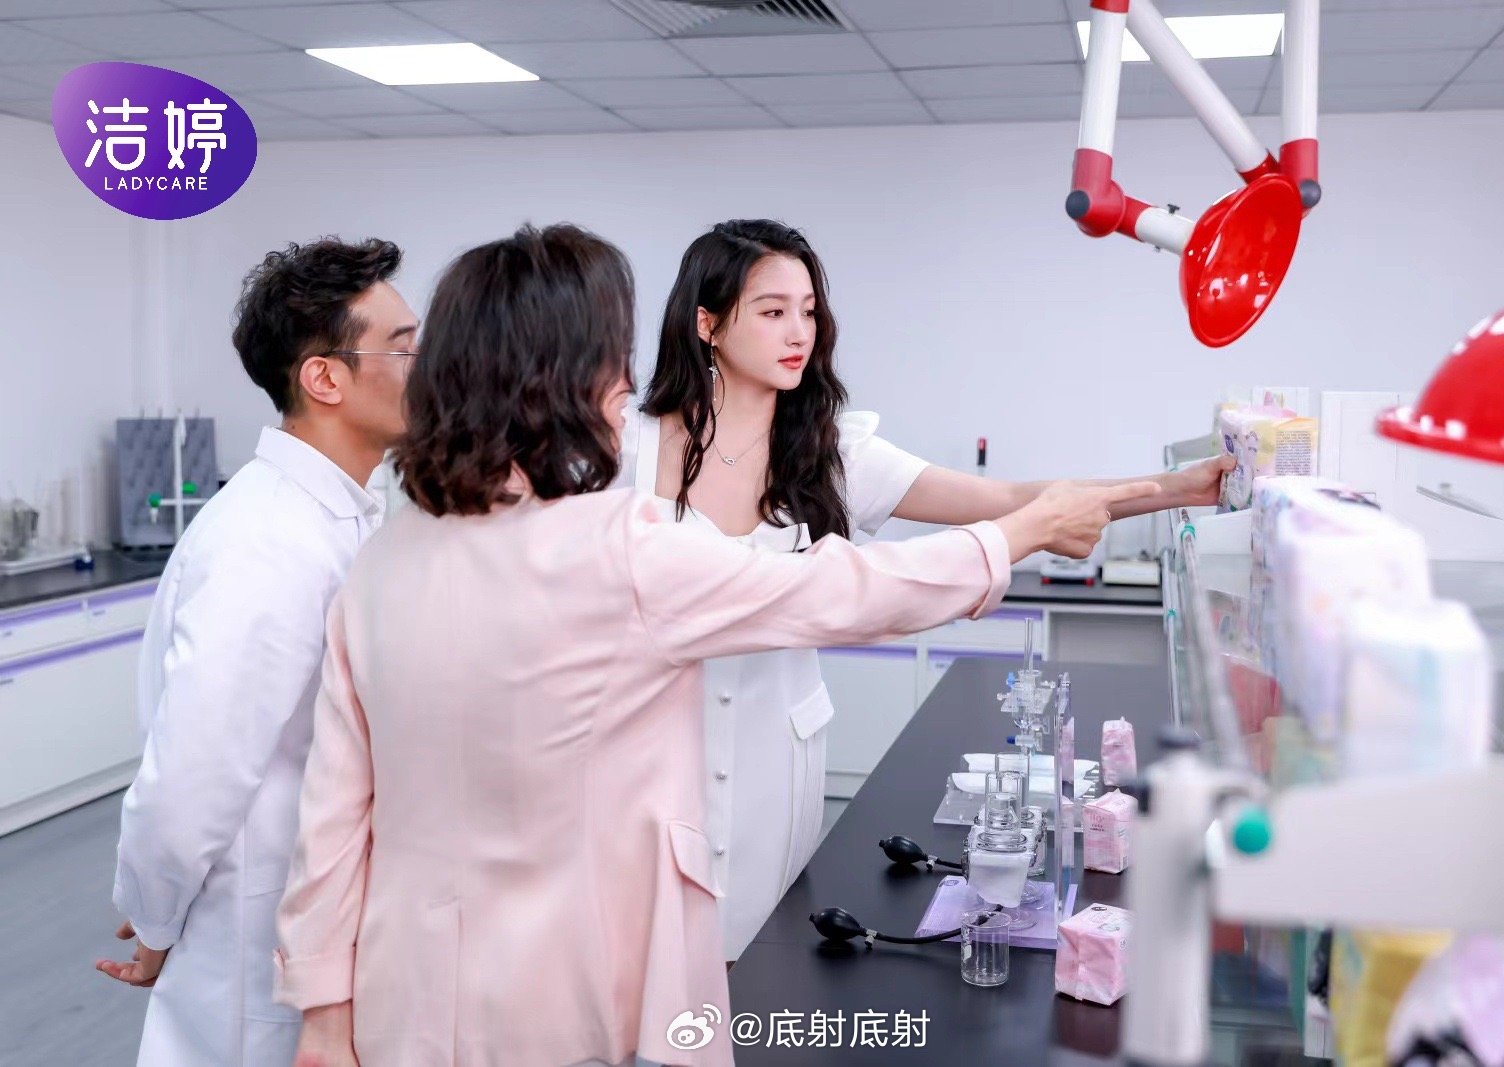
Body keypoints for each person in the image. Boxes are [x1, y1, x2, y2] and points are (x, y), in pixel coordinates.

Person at [274, 223, 1159, 1067]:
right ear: (560, 377)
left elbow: (335, 813)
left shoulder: (384, 560)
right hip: (567, 1001)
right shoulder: (618, 549)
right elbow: (842, 591)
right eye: (608, 355)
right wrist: (1021, 532)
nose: (624, 379)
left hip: (405, 996)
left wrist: (324, 1014)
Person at [626, 218, 1233, 960]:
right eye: (773, 310)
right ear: (707, 323)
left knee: (764, 959)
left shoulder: (829, 451)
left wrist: (1177, 488)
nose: (799, 332)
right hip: (658, 757)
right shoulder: (631, 449)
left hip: (775, 760)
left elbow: (1008, 499)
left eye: (809, 311)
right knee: (655, 957)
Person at [98, 238, 418, 1067]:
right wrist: (155, 917)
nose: (426, 367)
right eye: (403, 347)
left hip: (312, 916)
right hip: (252, 935)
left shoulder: (339, 513)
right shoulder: (268, 539)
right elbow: (191, 775)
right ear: (325, 378)